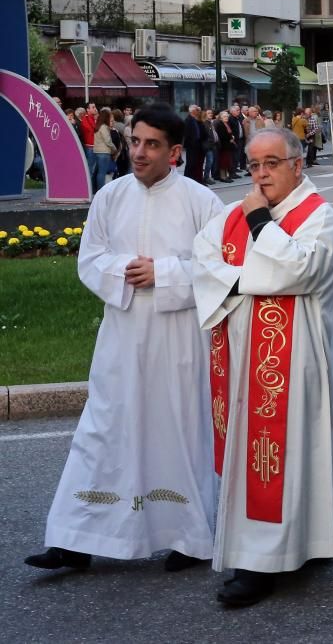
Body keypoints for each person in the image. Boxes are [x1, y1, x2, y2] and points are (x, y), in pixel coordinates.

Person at [24, 103, 222, 575]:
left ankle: (188, 537)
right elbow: (90, 260)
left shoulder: (202, 202)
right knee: (102, 430)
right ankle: (75, 538)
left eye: (152, 145)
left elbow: (220, 268)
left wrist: (166, 273)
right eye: (135, 141)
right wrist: (125, 272)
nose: (139, 152)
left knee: (176, 432)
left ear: (175, 152)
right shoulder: (110, 197)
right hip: (122, 334)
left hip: (178, 342)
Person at [191, 127, 333, 606]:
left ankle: (264, 562)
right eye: (254, 164)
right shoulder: (231, 215)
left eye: (271, 164)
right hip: (241, 359)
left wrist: (260, 225)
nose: (260, 175)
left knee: (288, 457)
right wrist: (252, 281)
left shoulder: (318, 217)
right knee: (258, 460)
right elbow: (202, 260)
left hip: (294, 364)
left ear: (297, 165)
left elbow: (296, 271)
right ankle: (275, 550)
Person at [92, 108, 120, 189]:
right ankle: (101, 190)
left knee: (98, 173)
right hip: (104, 152)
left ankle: (97, 189)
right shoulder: (104, 127)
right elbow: (108, 140)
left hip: (98, 152)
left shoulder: (98, 126)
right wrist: (114, 149)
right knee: (102, 173)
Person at [183, 104, 206, 184]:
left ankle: (193, 180)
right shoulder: (188, 120)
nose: (198, 111)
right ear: (193, 111)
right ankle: (186, 180)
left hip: (197, 146)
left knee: (195, 164)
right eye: (197, 110)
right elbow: (186, 134)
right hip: (191, 146)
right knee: (190, 164)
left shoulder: (194, 120)